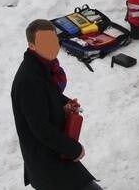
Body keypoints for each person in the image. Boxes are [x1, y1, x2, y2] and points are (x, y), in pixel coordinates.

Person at [11, 20, 101, 190]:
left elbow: (47, 96)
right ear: (32, 45)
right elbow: (41, 129)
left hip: (54, 154)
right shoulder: (29, 81)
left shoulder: (43, 66)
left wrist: (64, 103)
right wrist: (74, 150)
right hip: (47, 161)